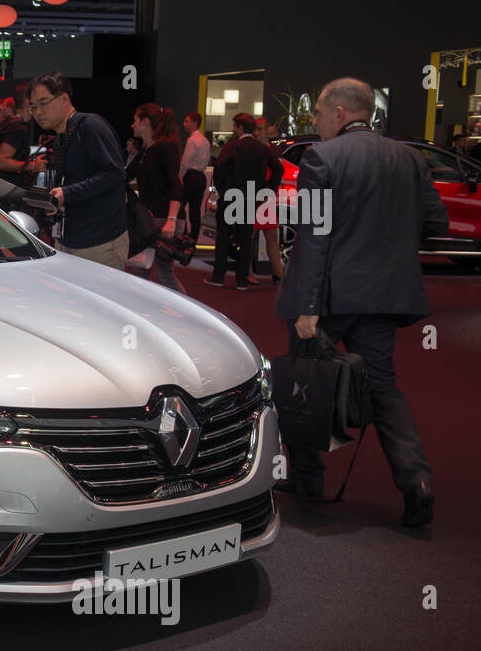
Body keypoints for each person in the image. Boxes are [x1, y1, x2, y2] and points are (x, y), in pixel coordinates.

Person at [275, 77, 448, 526]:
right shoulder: (410, 158)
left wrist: (308, 308)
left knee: (306, 384)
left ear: (338, 113)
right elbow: (437, 222)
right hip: (385, 296)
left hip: (329, 297)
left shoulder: (323, 158)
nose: (314, 123)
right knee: (384, 388)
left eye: (316, 115)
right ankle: (416, 481)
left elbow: (314, 238)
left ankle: (309, 479)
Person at [30, 71, 128, 269]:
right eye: (33, 107)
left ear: (64, 99)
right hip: (69, 239)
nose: (38, 112)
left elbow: (115, 173)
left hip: (99, 242)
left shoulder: (91, 126)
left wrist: (67, 193)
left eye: (43, 103)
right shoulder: (62, 136)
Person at [209, 112, 281, 288]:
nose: (233, 129)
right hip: (251, 197)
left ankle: (218, 277)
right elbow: (278, 169)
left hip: (230, 197)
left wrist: (223, 189)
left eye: (234, 126)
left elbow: (218, 167)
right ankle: (242, 280)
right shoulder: (262, 148)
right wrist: (267, 189)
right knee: (246, 239)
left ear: (240, 127)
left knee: (224, 237)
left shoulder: (232, 146)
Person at [128, 103, 185, 291]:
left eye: (135, 120)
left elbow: (175, 184)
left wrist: (171, 220)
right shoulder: (146, 151)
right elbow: (124, 176)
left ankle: (185, 316)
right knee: (140, 273)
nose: (132, 125)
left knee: (164, 275)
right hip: (149, 221)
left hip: (164, 219)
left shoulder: (165, 147)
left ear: (145, 122)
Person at [0, 81, 48, 186]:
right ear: (27, 101)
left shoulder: (9, 123)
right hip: (7, 190)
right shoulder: (19, 128)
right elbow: (0, 162)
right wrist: (32, 166)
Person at [179, 112, 210, 242]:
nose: (184, 124)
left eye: (187, 121)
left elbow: (185, 161)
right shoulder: (205, 141)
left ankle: (183, 234)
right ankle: (193, 239)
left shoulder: (192, 140)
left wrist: (180, 176)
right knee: (195, 210)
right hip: (201, 177)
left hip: (190, 176)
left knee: (179, 206)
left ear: (194, 123)